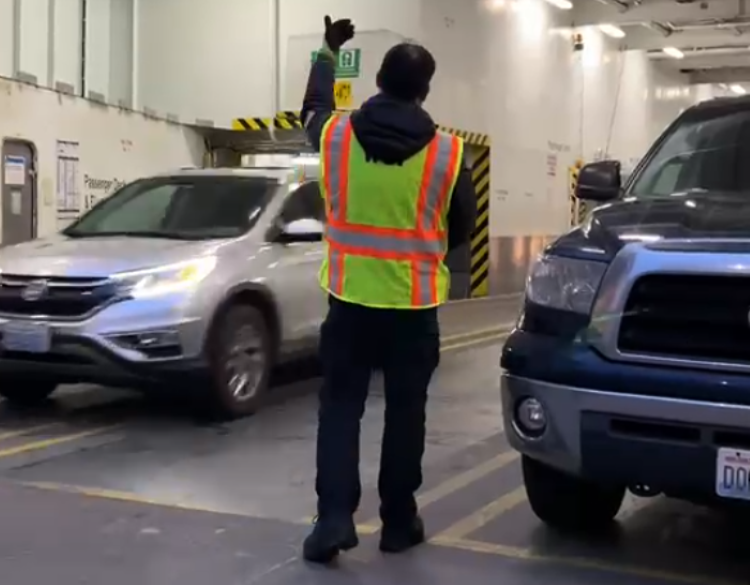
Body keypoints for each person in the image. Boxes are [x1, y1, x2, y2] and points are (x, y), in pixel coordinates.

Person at [301, 15, 478, 564]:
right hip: (413, 308)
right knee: (406, 414)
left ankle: (334, 519)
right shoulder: (450, 155)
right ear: (425, 91)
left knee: (340, 410)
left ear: (377, 79)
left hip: (349, 303)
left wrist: (327, 51)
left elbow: (311, 107)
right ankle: (399, 521)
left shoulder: (333, 136)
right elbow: (462, 232)